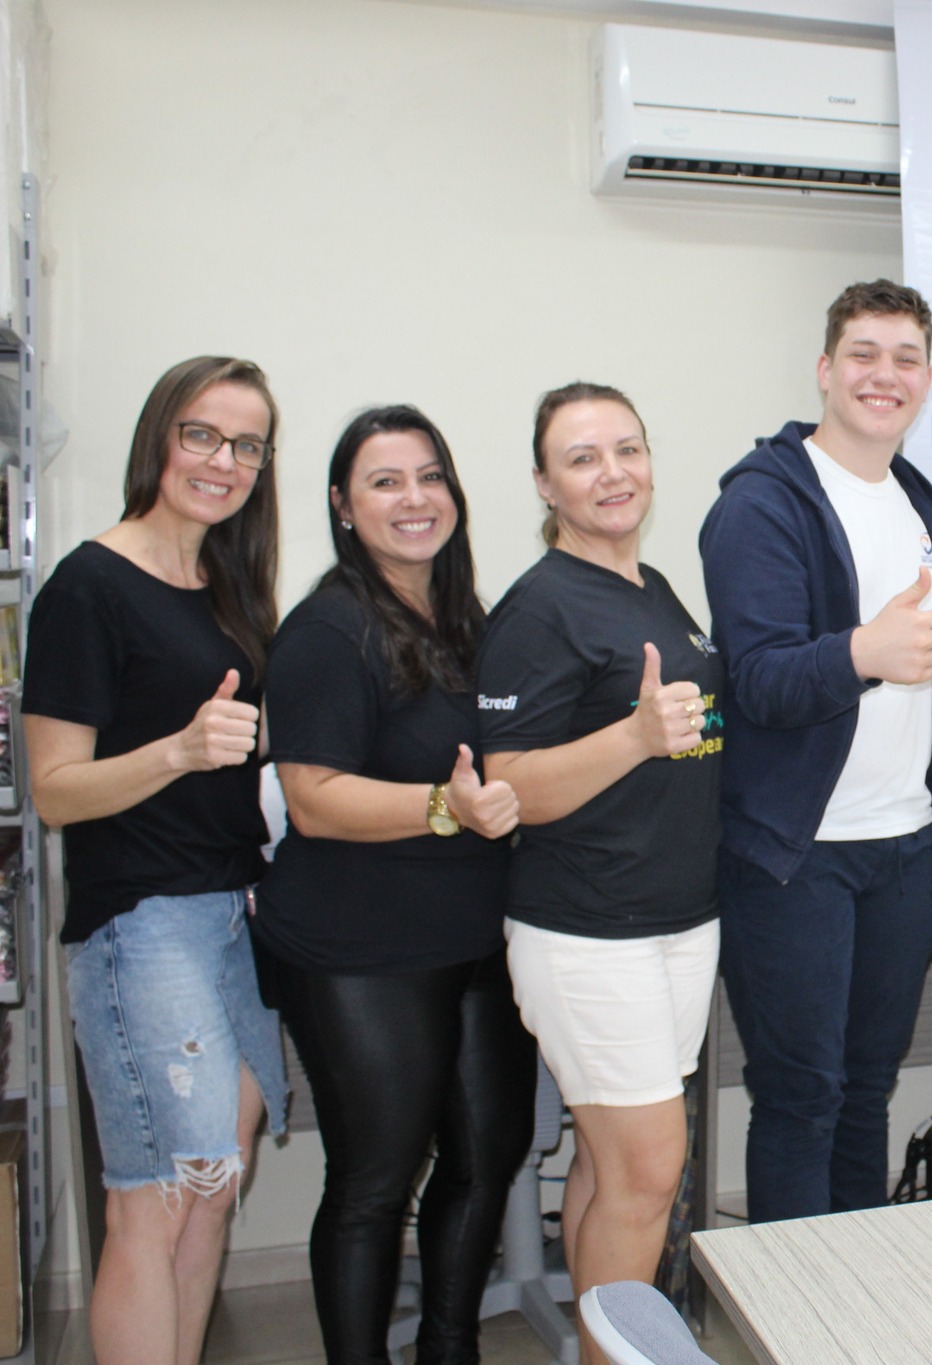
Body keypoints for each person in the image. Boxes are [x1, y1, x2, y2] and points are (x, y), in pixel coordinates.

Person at [22, 356, 290, 1365]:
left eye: (248, 445)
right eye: (202, 434)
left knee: (211, 1190)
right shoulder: (88, 585)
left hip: (231, 916)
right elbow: (54, 790)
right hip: (142, 925)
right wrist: (178, 750)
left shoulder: (224, 587)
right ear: (160, 438)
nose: (224, 461)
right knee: (157, 1198)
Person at [255, 406, 533, 1365]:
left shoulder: (467, 622)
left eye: (430, 476)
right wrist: (449, 807)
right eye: (385, 481)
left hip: (474, 940)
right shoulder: (327, 631)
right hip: (359, 950)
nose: (415, 499)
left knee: (488, 1155)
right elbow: (313, 799)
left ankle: (449, 1347)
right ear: (343, 505)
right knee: (374, 1182)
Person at [698, 280, 932, 1222]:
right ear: (824, 368)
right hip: (795, 855)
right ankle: (790, 1300)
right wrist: (861, 652)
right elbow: (759, 680)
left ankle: (859, 1288)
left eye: (906, 358)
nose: (885, 375)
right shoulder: (761, 503)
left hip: (899, 848)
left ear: (926, 377)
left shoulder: (915, 496)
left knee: (865, 1093)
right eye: (864, 354)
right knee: (800, 1099)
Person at [475, 383, 721, 1360]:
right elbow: (510, 787)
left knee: (608, 1169)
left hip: (675, 920)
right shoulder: (539, 609)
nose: (612, 473)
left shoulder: (650, 586)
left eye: (627, 449)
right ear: (545, 484)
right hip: (589, 931)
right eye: (582, 458)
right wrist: (632, 736)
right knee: (648, 1172)